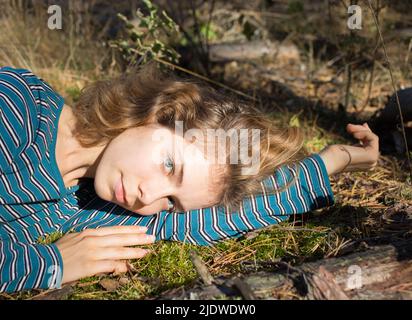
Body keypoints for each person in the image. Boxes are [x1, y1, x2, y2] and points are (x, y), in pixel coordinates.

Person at [0, 64, 379, 293]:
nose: (147, 198)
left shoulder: (88, 202)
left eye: (171, 201)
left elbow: (209, 220)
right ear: (158, 113)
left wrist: (336, 159)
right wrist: (49, 263)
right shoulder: (19, 109)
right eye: (169, 166)